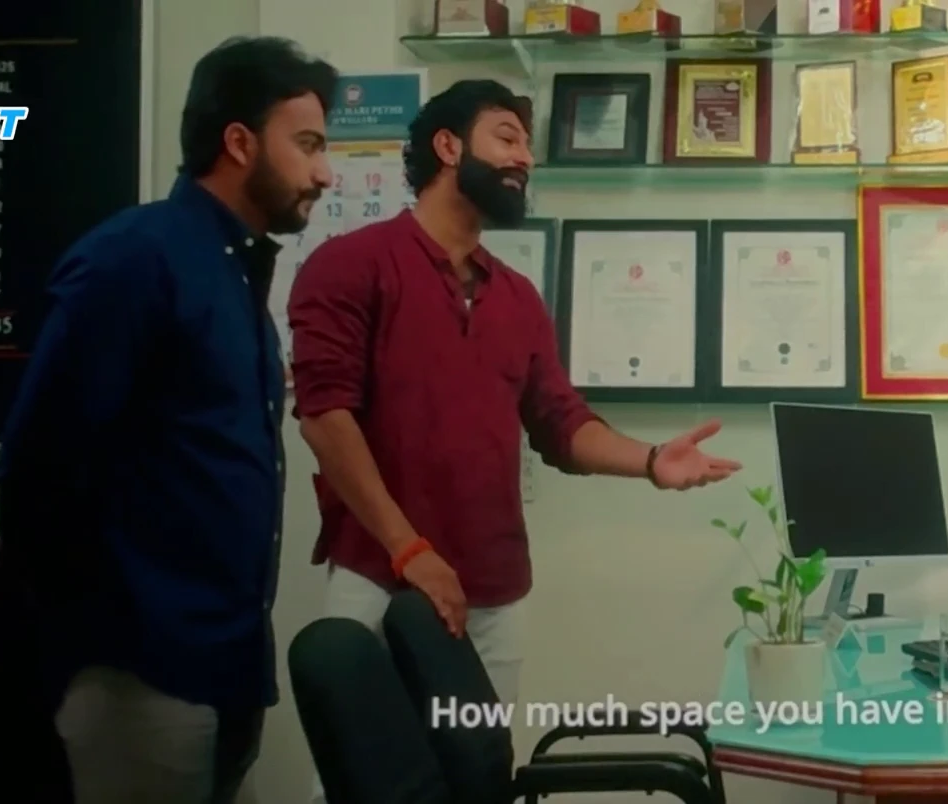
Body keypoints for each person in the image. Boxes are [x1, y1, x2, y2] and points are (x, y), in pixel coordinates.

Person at [287, 79, 738, 802]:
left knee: (480, 784)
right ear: (447, 146)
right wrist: (409, 550)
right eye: (506, 137)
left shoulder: (517, 296)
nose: (525, 157)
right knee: (358, 789)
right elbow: (324, 417)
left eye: (528, 144)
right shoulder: (352, 264)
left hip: (493, 595)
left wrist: (653, 462)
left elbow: (561, 423)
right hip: (378, 579)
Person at [0, 35, 335, 804]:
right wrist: (80, 612)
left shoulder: (234, 270)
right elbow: (39, 466)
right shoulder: (136, 259)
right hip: (140, 670)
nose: (325, 172)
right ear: (239, 142)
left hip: (227, 663)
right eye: (307, 144)